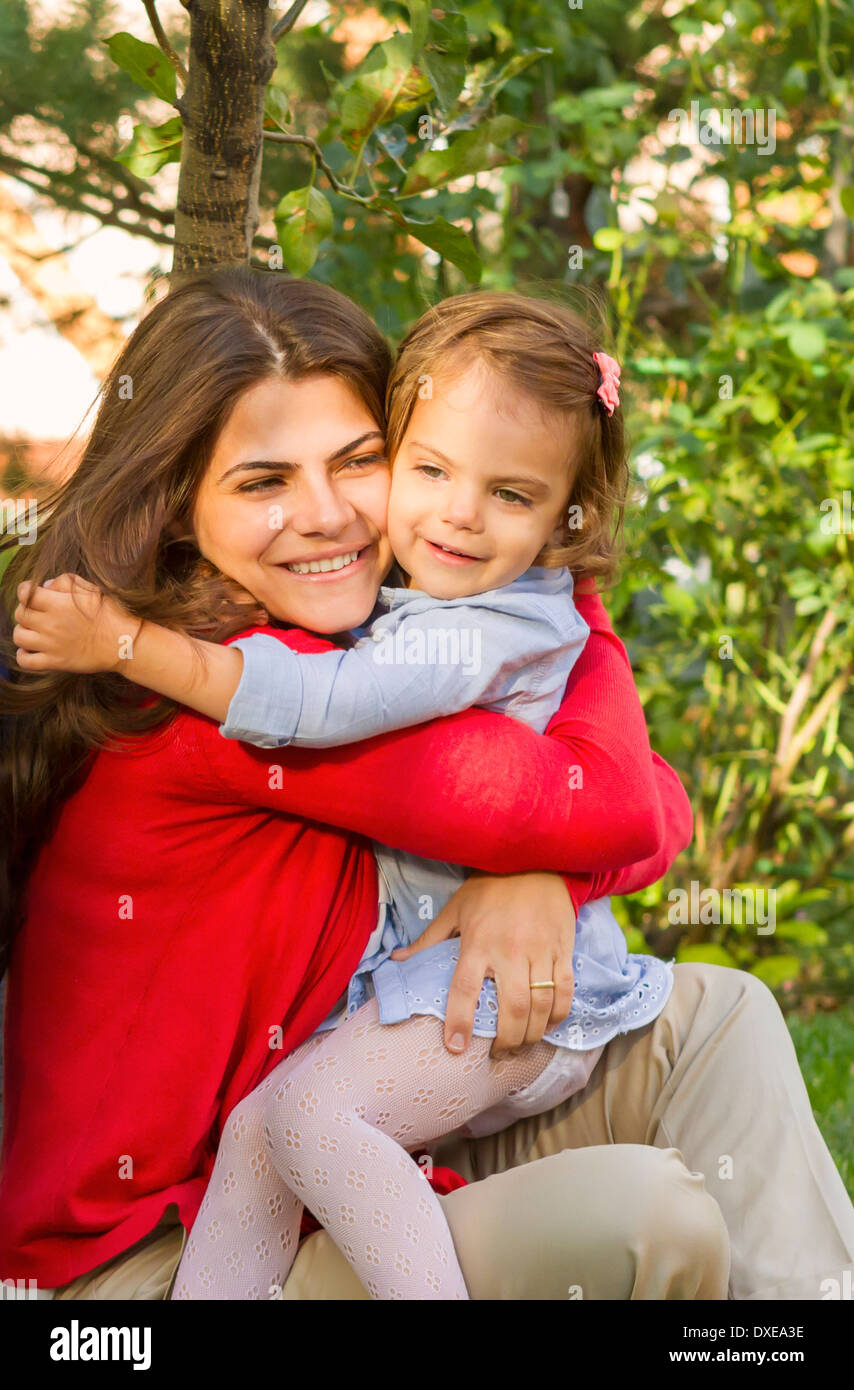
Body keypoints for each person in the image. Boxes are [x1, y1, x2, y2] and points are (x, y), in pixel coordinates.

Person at [5, 270, 852, 1300]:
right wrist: (548, 860)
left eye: (357, 461)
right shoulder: (222, 693)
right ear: (177, 503)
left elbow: (622, 782)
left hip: (340, 1156)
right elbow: (621, 807)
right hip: (151, 1259)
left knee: (716, 1018)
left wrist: (545, 878)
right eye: (262, 481)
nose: (324, 515)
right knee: (646, 1218)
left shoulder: (369, 631)